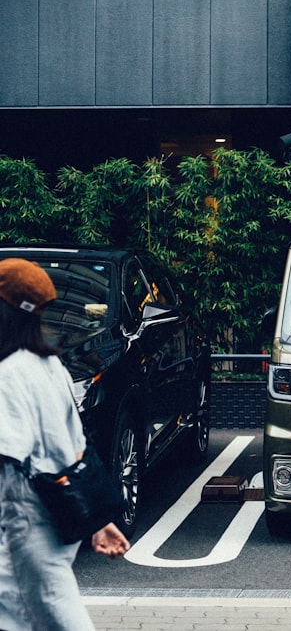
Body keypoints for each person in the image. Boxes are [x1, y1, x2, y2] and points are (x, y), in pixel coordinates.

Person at [0, 258, 131, 631]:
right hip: (58, 510)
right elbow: (76, 447)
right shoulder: (50, 366)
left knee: (49, 608)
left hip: (25, 517)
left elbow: (8, 453)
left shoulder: (9, 374)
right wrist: (98, 521)